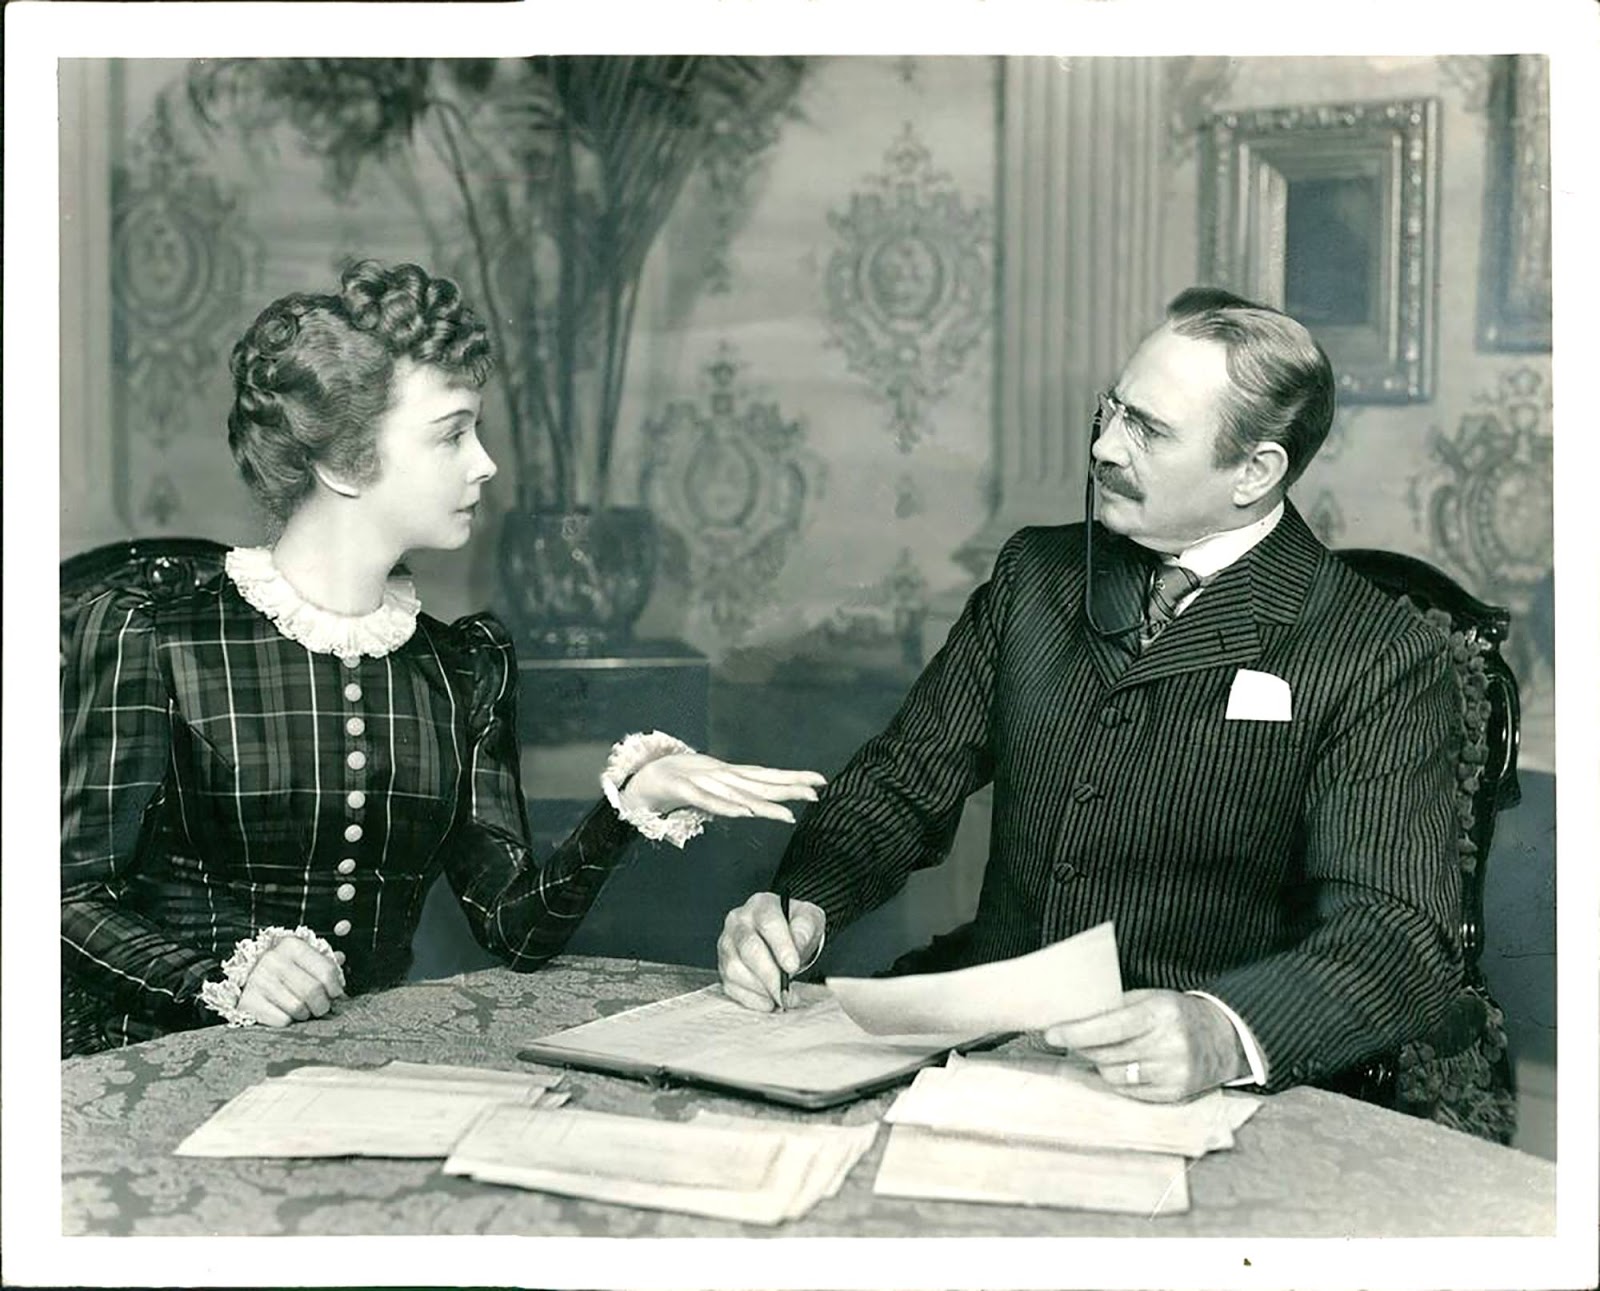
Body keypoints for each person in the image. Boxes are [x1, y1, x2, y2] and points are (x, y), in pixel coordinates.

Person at [60, 260, 824, 1056]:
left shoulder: (460, 669)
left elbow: (514, 928)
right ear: (343, 461)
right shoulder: (155, 637)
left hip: (363, 1075)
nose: (484, 462)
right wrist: (216, 975)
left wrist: (631, 802)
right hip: (165, 1059)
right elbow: (65, 896)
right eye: (453, 433)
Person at [717, 287, 1461, 1104]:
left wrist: (1223, 1030)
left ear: (1254, 472)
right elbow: (901, 785)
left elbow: (1395, 934)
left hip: (1200, 1090)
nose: (1104, 446)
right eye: (1113, 409)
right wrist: (804, 903)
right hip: (984, 1043)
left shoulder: (1379, 653)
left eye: (1149, 430)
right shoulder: (1035, 577)